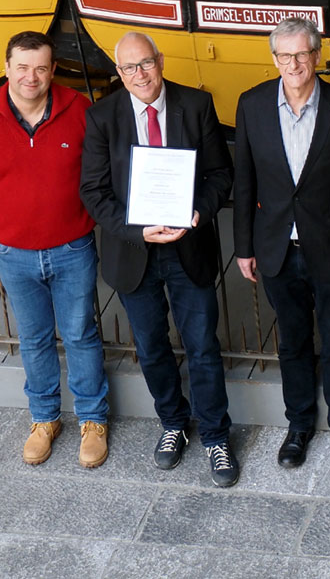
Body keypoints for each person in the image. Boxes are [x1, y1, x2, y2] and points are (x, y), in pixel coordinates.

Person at [80, 32, 240, 487]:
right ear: (119, 74)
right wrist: (137, 229)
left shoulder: (196, 105)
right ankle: (173, 423)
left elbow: (218, 174)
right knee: (151, 348)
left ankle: (215, 436)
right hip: (134, 253)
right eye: (130, 68)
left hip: (188, 247)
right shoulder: (103, 117)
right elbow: (93, 192)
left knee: (203, 347)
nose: (140, 75)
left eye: (146, 63)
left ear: (161, 61)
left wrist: (198, 212)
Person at [233, 16, 330, 473]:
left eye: (302, 54)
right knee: (292, 343)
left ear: (316, 56)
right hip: (277, 249)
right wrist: (244, 247)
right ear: (273, 59)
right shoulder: (252, 105)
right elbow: (245, 182)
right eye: (284, 55)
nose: (293, 63)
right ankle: (298, 427)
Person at [0, 30, 110, 469]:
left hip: (71, 246)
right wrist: (17, 209)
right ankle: (44, 419)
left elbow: (96, 169)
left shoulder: (78, 110)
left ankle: (92, 420)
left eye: (40, 68)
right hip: (14, 252)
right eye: (22, 68)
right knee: (34, 338)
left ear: (52, 71)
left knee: (81, 334)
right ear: (6, 68)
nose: (31, 77)